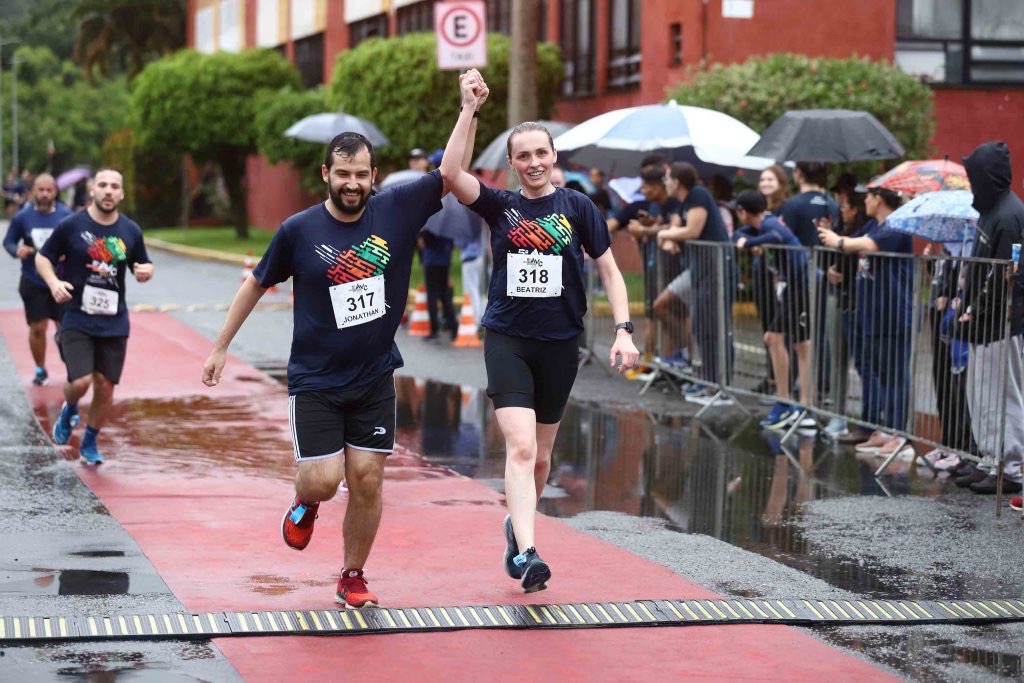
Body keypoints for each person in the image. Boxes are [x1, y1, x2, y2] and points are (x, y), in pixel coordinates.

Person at [201, 119, 476, 607]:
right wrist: (221, 345)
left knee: (367, 478)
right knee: (324, 480)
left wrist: (468, 109)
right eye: (344, 174)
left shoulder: (397, 209)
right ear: (326, 172)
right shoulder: (298, 230)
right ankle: (305, 502)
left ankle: (352, 574)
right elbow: (256, 282)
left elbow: (451, 171)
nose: (353, 184)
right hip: (316, 381)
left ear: (375, 175)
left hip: (373, 376)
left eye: (362, 175)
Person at [440, 69, 639, 593]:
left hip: (560, 344)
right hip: (508, 338)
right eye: (522, 156)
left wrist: (623, 330)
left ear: (555, 157)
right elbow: (450, 170)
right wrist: (469, 109)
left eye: (540, 153)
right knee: (521, 448)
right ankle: (528, 553)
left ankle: (516, 525)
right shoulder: (498, 205)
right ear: (511, 163)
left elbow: (610, 271)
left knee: (543, 455)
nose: (533, 163)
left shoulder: (578, 207)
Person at [35, 168, 153, 464]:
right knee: (81, 381)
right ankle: (70, 407)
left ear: (122, 193)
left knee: (105, 385)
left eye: (115, 186)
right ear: (92, 190)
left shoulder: (130, 231)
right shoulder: (71, 226)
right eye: (103, 185)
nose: (109, 190)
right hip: (77, 315)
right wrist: (53, 283)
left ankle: (90, 441)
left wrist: (144, 272)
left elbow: (143, 265)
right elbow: (43, 257)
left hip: (114, 319)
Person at [818, 184, 912, 461]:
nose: (865, 202)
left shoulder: (895, 226)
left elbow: (864, 245)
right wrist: (833, 235)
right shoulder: (874, 223)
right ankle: (884, 429)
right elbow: (851, 241)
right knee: (881, 372)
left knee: (895, 375)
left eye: (869, 197)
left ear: (879, 199)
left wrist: (837, 240)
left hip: (892, 312)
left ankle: (899, 435)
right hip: (872, 312)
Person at [950, 141, 1024, 495]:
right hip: (985, 321)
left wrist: (975, 308)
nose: (969, 181)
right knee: (981, 392)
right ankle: (989, 458)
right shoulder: (992, 210)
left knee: (1003, 394)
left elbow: (1001, 274)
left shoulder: (1008, 214)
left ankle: (1008, 465)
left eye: (972, 174)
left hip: (1001, 322)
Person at [733, 190, 814, 430]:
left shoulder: (769, 224)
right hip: (791, 287)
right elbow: (737, 234)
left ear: (743, 211)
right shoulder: (763, 224)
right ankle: (792, 402)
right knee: (793, 342)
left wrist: (749, 243)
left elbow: (777, 237)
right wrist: (746, 239)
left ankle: (797, 404)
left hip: (797, 286)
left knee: (785, 340)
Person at [657, 162, 734, 404]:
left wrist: (665, 234)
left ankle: (719, 386)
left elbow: (692, 230)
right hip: (703, 269)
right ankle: (709, 380)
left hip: (716, 269)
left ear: (678, 181)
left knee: (712, 326)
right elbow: (680, 226)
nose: (665, 183)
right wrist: (670, 236)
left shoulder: (698, 194)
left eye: (668, 178)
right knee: (702, 325)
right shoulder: (687, 200)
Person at [3, 173, 73, 385]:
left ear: (55, 192)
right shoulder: (22, 217)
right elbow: (9, 242)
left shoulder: (67, 216)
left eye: (48, 190)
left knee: (66, 327)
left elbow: (78, 244)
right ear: (33, 192)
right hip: (33, 280)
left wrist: (67, 253)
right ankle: (40, 368)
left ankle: (69, 360)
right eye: (40, 190)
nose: (44, 194)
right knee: (38, 327)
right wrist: (18, 250)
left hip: (62, 280)